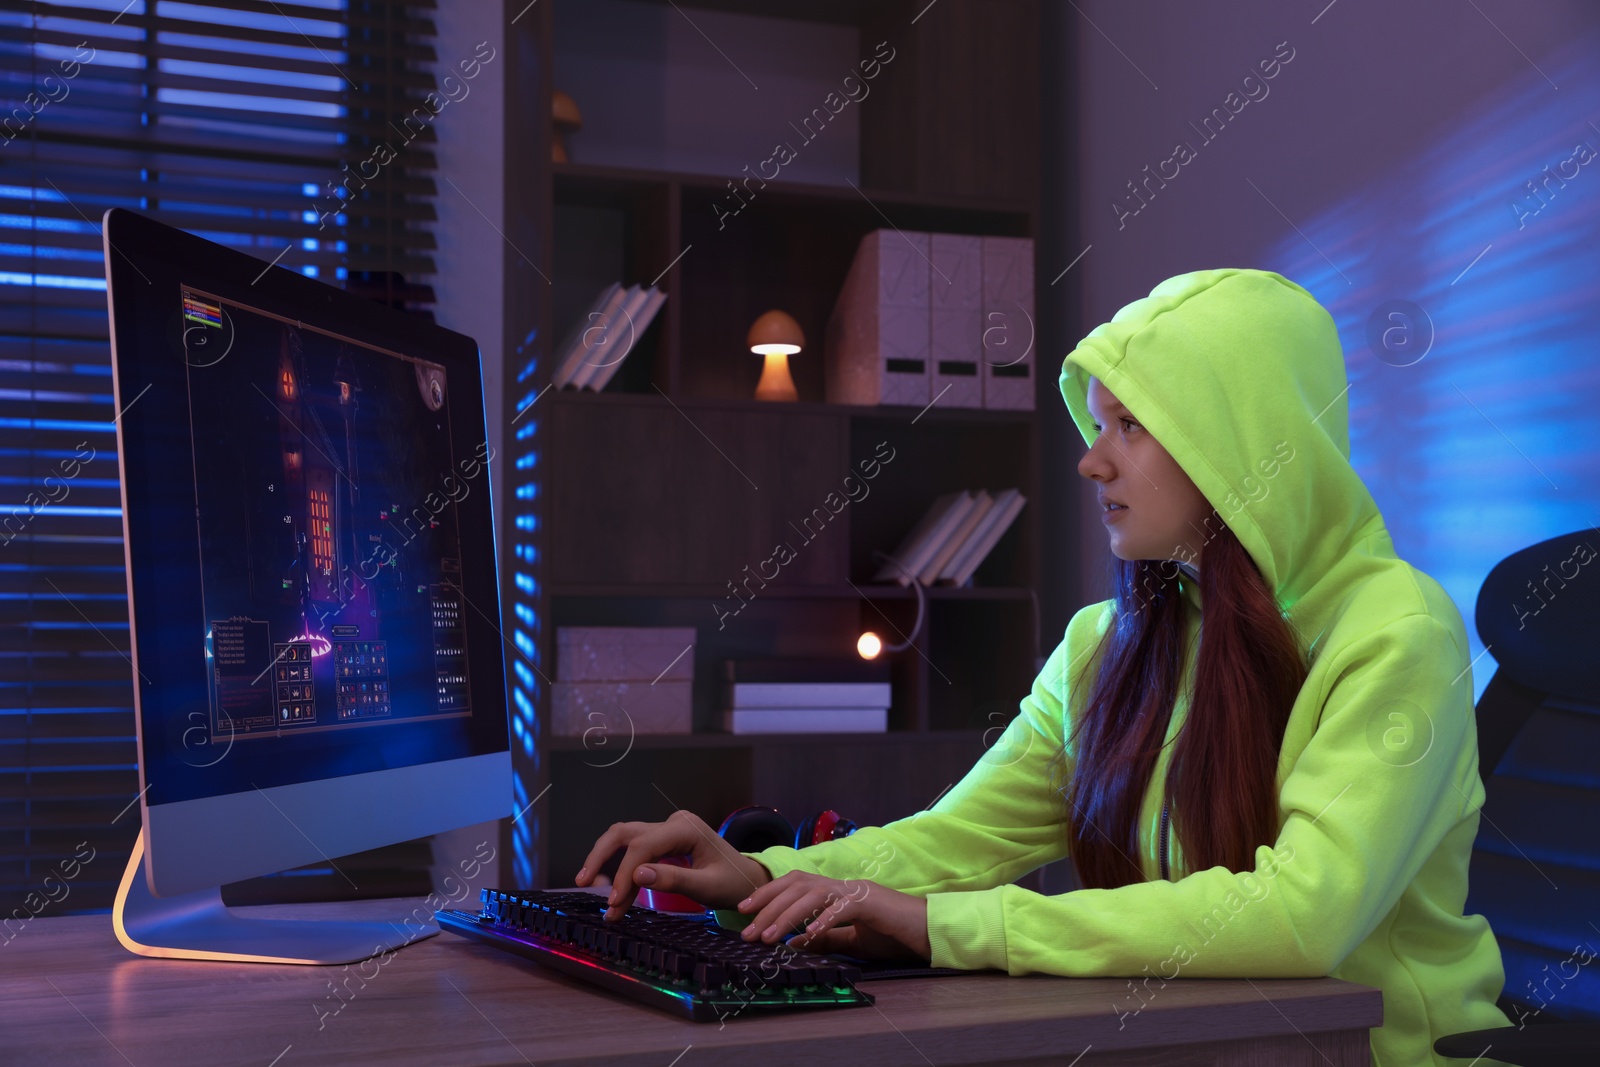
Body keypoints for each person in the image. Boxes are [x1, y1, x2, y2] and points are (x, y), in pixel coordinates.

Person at [576, 268, 1512, 1066]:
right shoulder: (1105, 643)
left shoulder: (1397, 632)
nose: (1090, 462)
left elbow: (1306, 915)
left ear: (1242, 446)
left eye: (1131, 426)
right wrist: (761, 877)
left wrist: (949, 927)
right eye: (1099, 424)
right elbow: (954, 841)